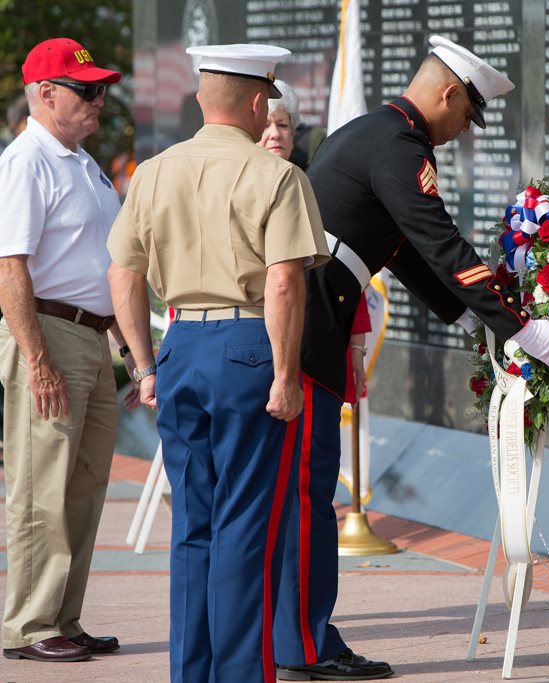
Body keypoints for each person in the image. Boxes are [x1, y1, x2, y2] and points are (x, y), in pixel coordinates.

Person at [276, 35, 549, 680]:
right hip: (315, 319)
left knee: (304, 489)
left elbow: (402, 250)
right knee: (307, 491)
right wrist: (529, 333)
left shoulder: (377, 134)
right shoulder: (399, 144)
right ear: (447, 94)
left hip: (320, 312)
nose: (464, 131)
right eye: (467, 115)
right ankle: (303, 642)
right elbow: (438, 244)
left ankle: (302, 634)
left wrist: (471, 319)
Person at [106, 44, 334, 683]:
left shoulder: (151, 172)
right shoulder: (278, 177)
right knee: (248, 525)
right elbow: (285, 283)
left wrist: (144, 367)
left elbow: (121, 275)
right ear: (260, 102)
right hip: (249, 349)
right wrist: (287, 377)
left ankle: (193, 672)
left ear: (204, 98)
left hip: (180, 349)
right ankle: (239, 674)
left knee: (194, 525)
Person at [0, 37, 136, 663]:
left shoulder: (80, 161)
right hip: (48, 334)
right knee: (40, 488)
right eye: (86, 90)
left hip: (89, 335)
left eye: (101, 89)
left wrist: (124, 344)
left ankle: (64, 616)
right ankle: (30, 626)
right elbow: (10, 268)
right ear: (46, 93)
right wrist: (37, 357)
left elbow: (96, 265)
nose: (98, 101)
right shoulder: (27, 159)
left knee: (82, 488)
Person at [256, 81, 389, 681]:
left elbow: (340, 272)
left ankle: (274, 636)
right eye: (266, 125)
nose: (276, 136)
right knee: (304, 503)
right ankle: (305, 645)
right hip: (294, 362)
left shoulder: (305, 185)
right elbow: (298, 282)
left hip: (285, 355)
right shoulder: (277, 189)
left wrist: (356, 340)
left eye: (285, 126)